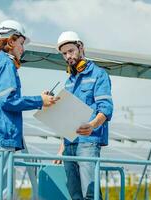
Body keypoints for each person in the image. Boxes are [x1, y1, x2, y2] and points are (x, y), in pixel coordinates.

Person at [0, 19, 59, 199]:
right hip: (1, 140)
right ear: (10, 42)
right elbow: (8, 100)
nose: (23, 48)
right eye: (21, 43)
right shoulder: (6, 64)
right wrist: (39, 101)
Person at [54, 31, 113, 200]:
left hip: (88, 142)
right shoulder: (69, 80)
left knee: (90, 194)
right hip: (69, 144)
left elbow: (106, 108)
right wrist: (61, 149)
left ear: (81, 47)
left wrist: (92, 125)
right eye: (64, 54)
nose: (68, 57)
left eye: (71, 51)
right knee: (75, 195)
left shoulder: (99, 75)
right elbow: (67, 115)